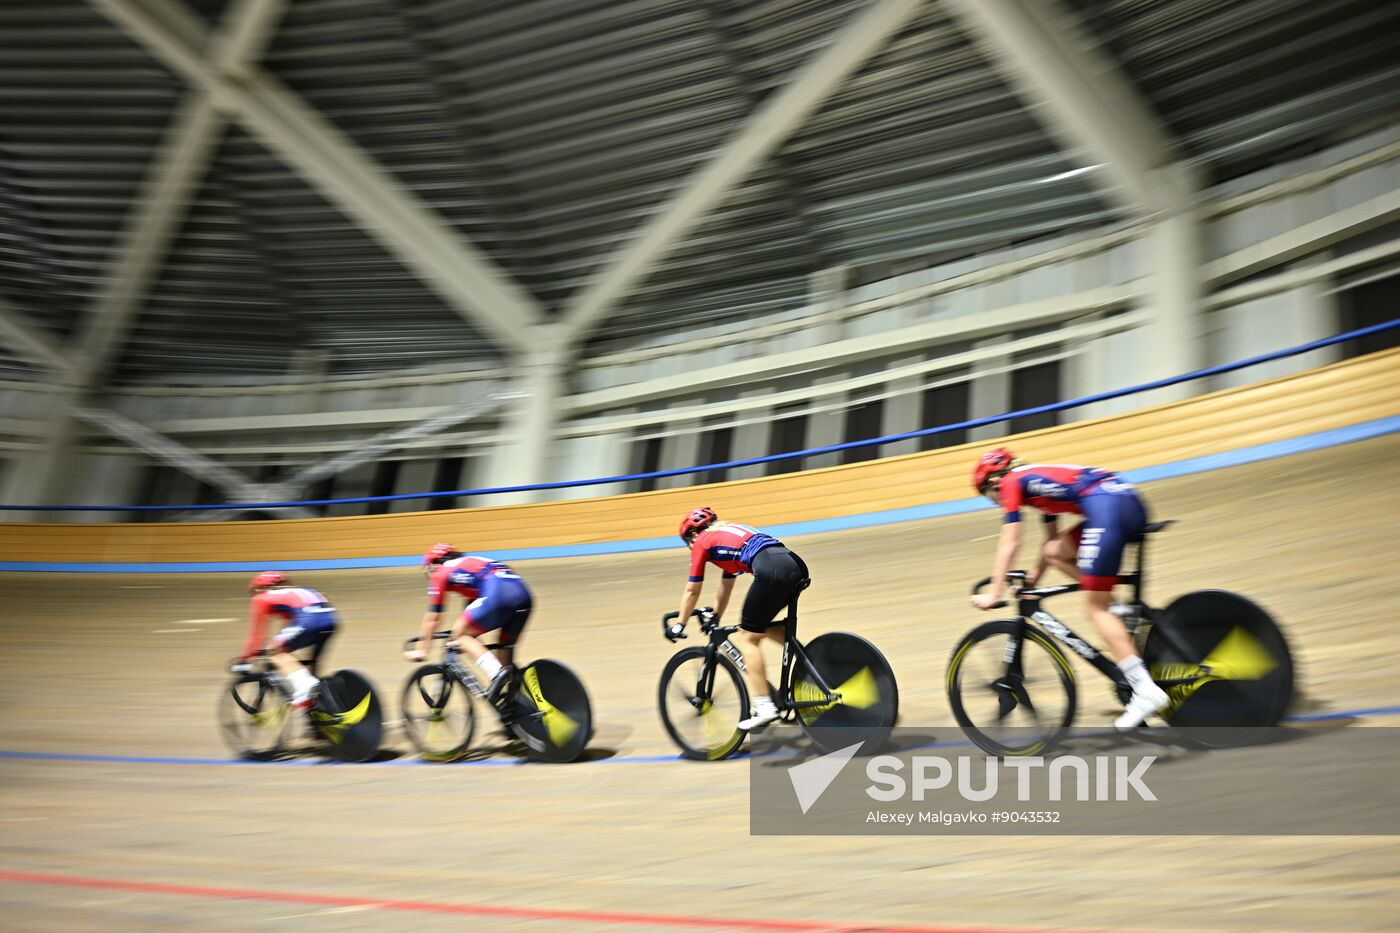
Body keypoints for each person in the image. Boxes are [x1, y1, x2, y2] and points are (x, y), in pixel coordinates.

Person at [969, 447, 1169, 730]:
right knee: (1055, 551)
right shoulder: (1036, 487)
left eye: (988, 495)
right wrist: (1033, 580)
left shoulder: (1012, 482)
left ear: (993, 481)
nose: (994, 501)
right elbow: (1051, 546)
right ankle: (1118, 610)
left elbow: (1010, 541)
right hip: (1126, 502)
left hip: (1107, 510)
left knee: (1094, 609)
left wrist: (994, 592)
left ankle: (1145, 691)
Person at [669, 507, 809, 731]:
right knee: (758, 627)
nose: (690, 546)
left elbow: (692, 590)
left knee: (747, 637)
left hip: (771, 569)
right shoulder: (727, 533)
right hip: (793, 563)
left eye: (688, 541)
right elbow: (726, 586)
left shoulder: (703, 541)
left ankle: (764, 706)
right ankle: (811, 664)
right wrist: (715, 616)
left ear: (693, 534)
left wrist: (680, 624)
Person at [404, 543, 532, 702]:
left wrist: (422, 650)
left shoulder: (441, 571)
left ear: (433, 565)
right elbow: (470, 611)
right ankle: (513, 701)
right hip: (523, 594)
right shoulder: (468, 564)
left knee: (460, 636)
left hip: (497, 592)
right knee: (503, 647)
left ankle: (497, 674)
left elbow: (433, 618)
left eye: (428, 569)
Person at [238, 570, 339, 710]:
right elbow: (292, 625)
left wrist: (245, 659)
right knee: (311, 670)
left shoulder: (261, 598)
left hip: (308, 620)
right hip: (330, 621)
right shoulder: (302, 591)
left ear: (259, 589)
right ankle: (318, 709)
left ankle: (305, 687)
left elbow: (257, 636)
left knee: (274, 652)